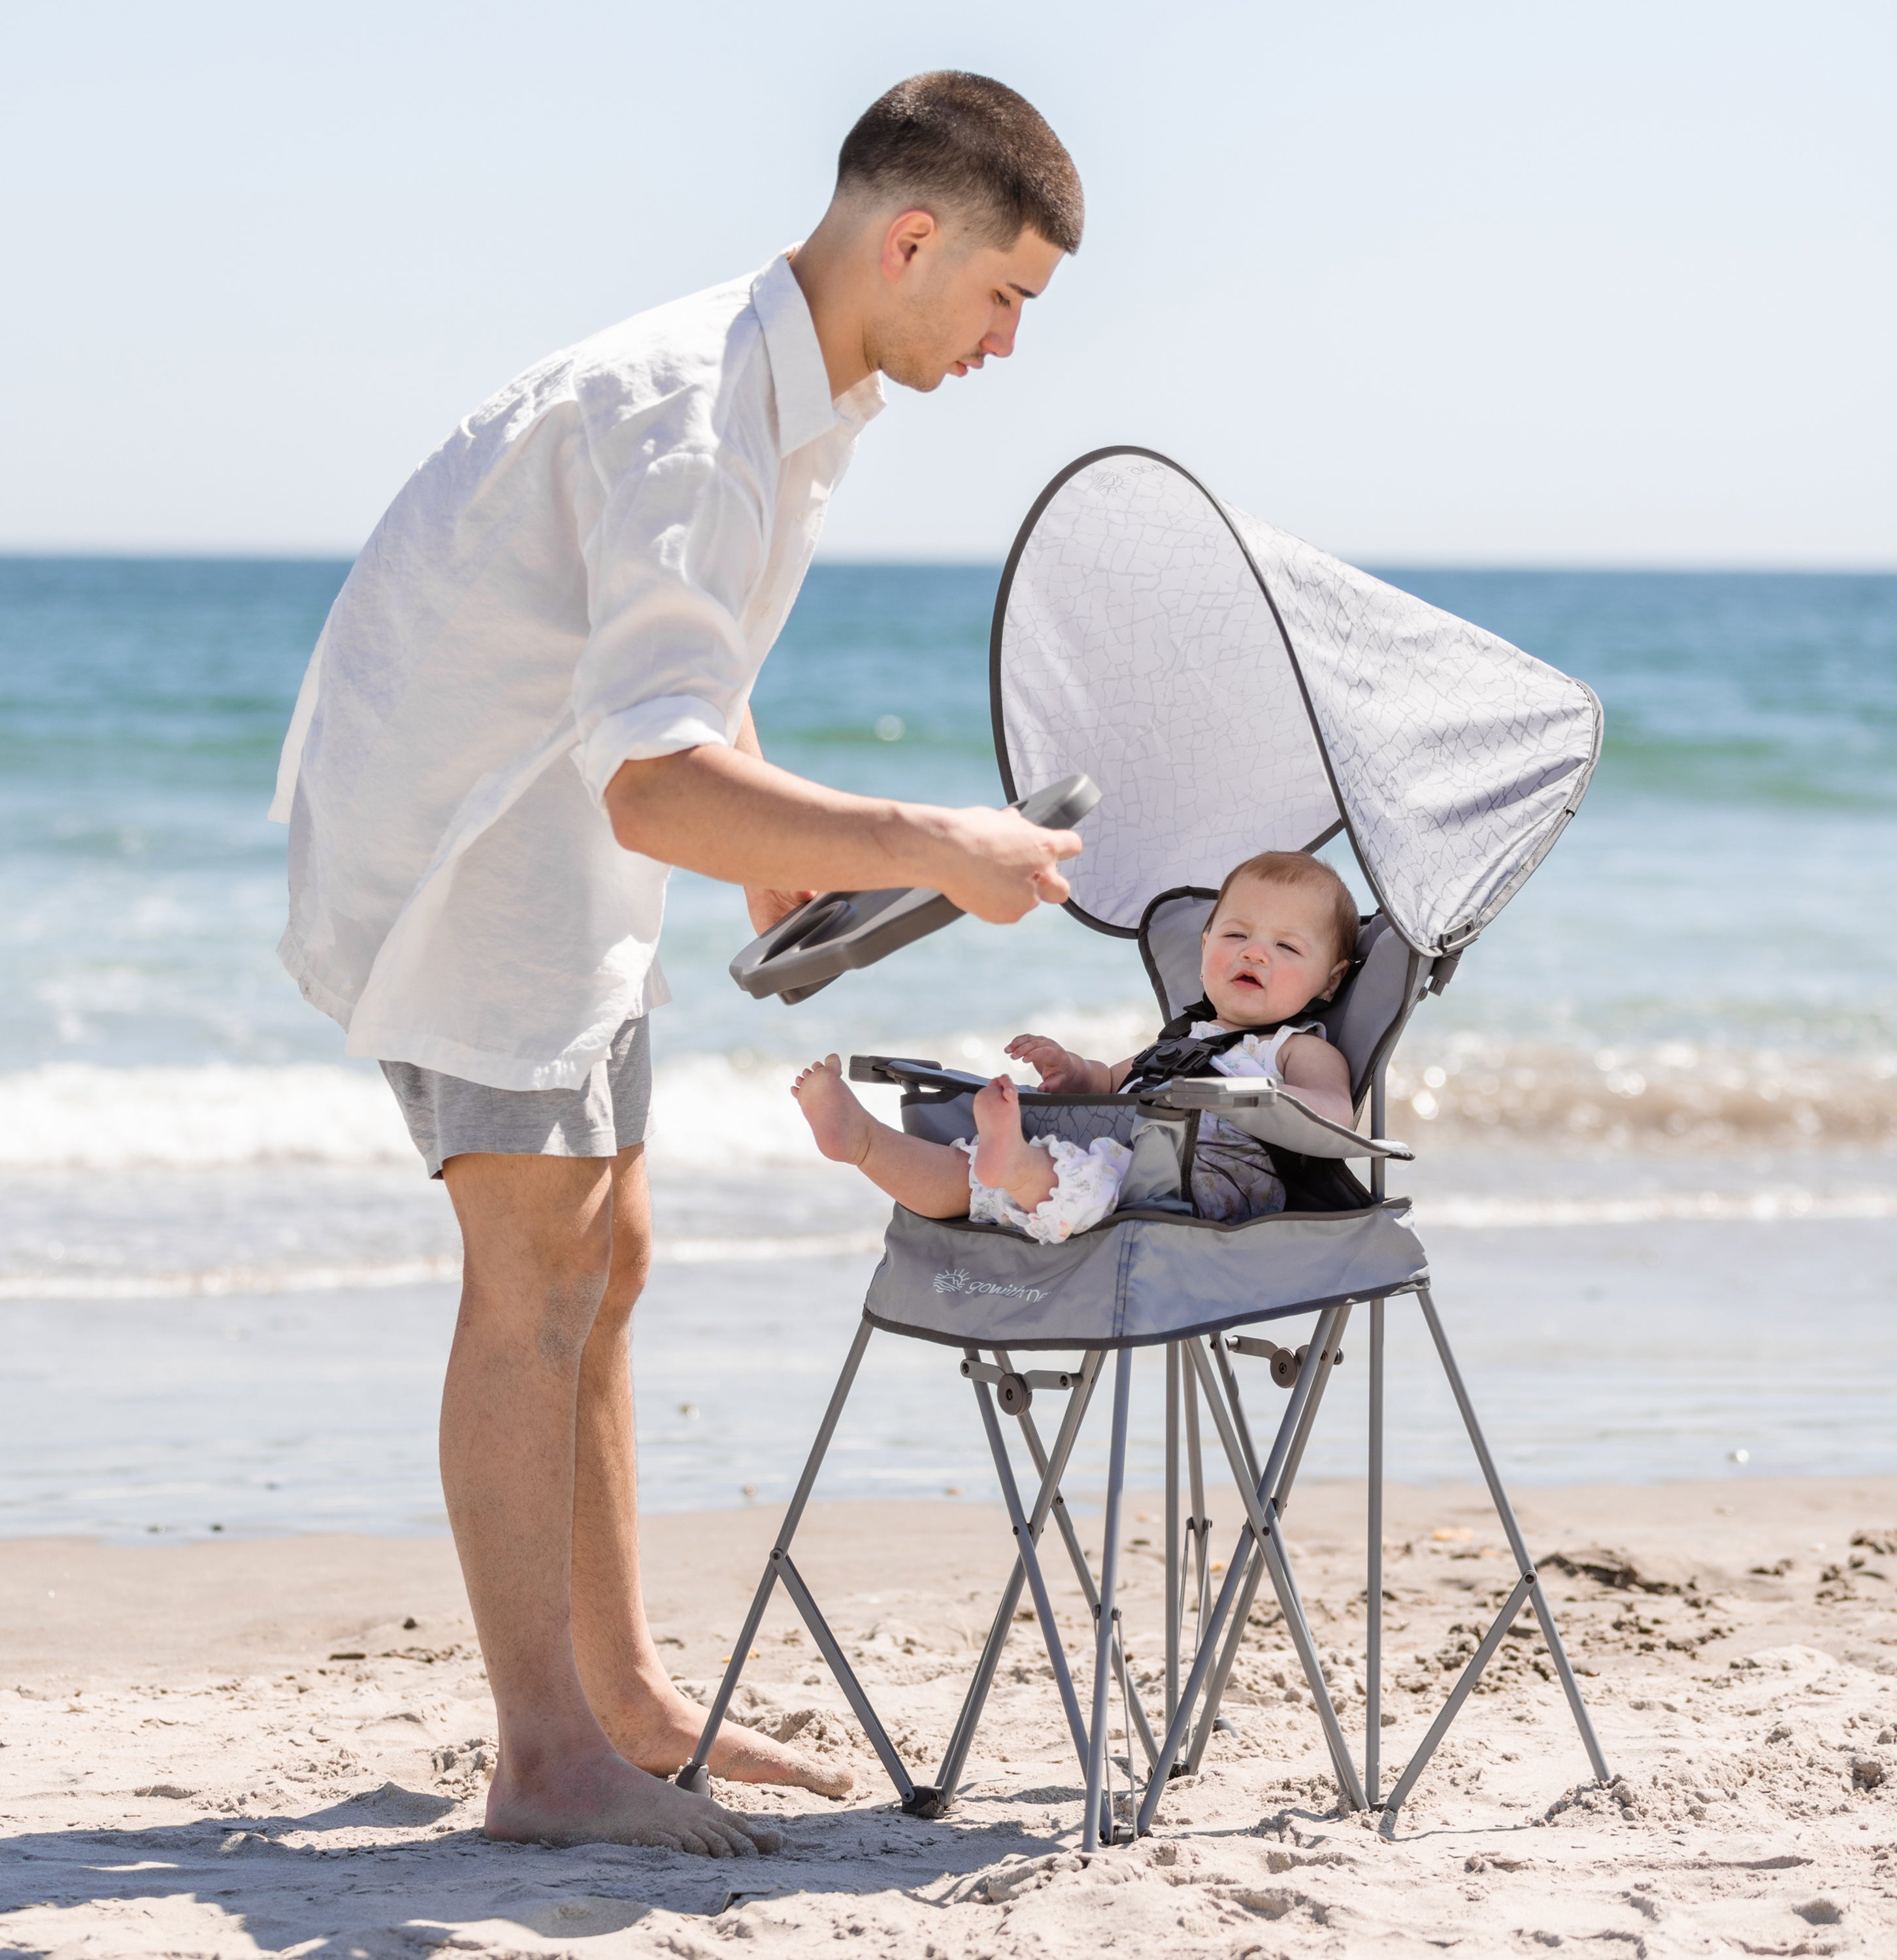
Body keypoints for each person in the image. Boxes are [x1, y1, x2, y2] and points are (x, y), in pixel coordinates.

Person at [268, 74, 1085, 1856]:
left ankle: (621, 1698)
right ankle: (543, 1755)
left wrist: (779, 873)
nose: (1011, 340)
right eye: (1007, 294)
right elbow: (649, 775)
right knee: (535, 1268)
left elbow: (678, 677)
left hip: (559, 822)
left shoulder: (805, 389)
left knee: (611, 1248)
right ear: (914, 238)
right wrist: (931, 843)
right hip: (471, 850)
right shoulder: (701, 412)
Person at [792, 851, 1359, 1239]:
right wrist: (1071, 1071)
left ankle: (1015, 1165)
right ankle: (866, 1142)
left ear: (1329, 981)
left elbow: (1338, 1113)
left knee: (1074, 1176)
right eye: (1236, 935)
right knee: (970, 1178)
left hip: (1204, 1186)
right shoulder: (1183, 1040)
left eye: (1286, 946)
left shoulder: (1292, 1048)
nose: (1255, 953)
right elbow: (1109, 1083)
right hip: (1123, 1163)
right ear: (1206, 942)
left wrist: (1262, 1098)